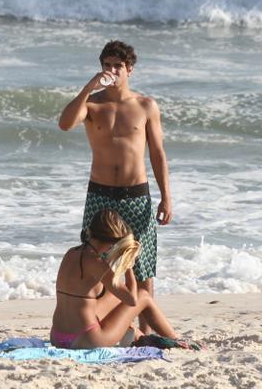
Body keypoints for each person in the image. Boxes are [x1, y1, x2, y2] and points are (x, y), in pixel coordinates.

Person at [58, 40, 172, 333]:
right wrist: (88, 88)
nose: (111, 71)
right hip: (100, 195)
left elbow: (157, 153)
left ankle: (146, 334)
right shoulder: (93, 104)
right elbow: (65, 124)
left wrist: (166, 198)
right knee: (98, 262)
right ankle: (108, 326)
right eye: (106, 65)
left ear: (129, 69)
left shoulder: (146, 106)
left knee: (142, 267)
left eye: (117, 66)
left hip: (136, 195)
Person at [50, 209, 178, 348]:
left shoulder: (71, 253)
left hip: (57, 337)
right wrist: (128, 265)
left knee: (112, 295)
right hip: (87, 338)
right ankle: (176, 340)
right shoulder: (97, 263)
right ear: (112, 242)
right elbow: (132, 300)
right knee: (143, 296)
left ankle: (135, 334)